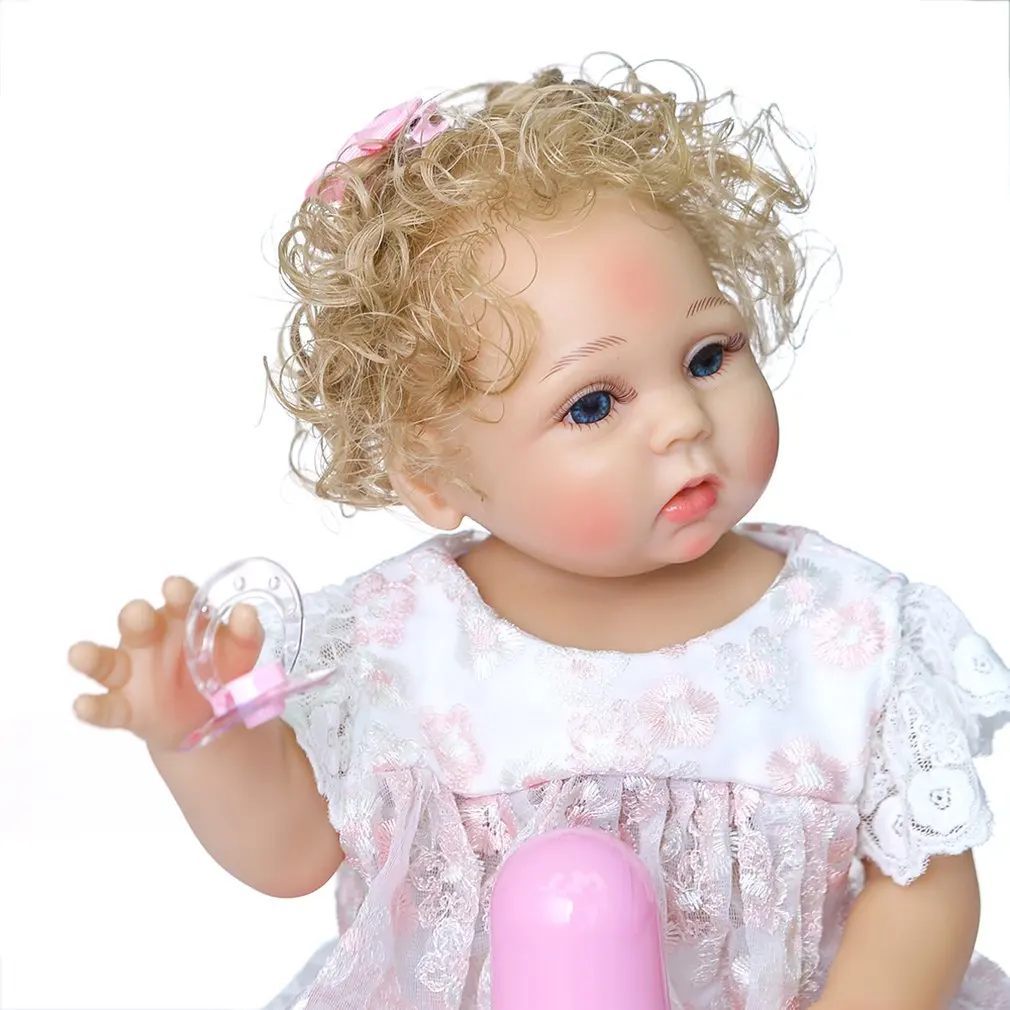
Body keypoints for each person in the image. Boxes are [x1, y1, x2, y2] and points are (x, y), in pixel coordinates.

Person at [67, 57, 1010, 1009]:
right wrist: (199, 738)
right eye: (594, 403)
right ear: (434, 473)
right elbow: (292, 854)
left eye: (707, 355)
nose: (682, 420)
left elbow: (924, 887)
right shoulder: (397, 646)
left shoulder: (851, 636)